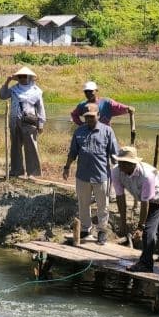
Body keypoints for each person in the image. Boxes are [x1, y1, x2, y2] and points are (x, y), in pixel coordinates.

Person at [63, 102, 120, 245]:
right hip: (82, 175)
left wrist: (118, 170)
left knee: (103, 205)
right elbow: (73, 152)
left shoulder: (107, 131)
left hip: (101, 175)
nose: (89, 119)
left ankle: (102, 231)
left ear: (98, 116)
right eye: (87, 116)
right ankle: (85, 228)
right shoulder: (79, 131)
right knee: (83, 203)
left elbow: (114, 153)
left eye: (92, 117)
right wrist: (67, 167)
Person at [112, 145, 159, 273]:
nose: (120, 165)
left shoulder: (147, 176)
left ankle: (146, 264)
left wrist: (141, 226)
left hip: (158, 193)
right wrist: (122, 223)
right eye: (119, 161)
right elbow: (120, 197)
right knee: (158, 219)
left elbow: (145, 203)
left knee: (148, 228)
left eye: (124, 163)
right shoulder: (116, 171)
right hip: (143, 195)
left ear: (132, 164)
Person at [0, 66, 46, 178]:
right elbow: (2, 96)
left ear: (29, 77)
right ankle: (16, 171)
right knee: (15, 147)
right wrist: (7, 82)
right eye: (20, 76)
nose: (23, 78)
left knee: (31, 147)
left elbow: (40, 108)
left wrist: (41, 123)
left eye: (24, 76)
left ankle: (32, 173)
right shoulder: (14, 90)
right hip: (14, 121)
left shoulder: (36, 91)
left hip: (29, 122)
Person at [68, 81, 135, 126]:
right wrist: (81, 125)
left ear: (96, 91)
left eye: (90, 91)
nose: (88, 93)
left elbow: (119, 107)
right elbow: (74, 114)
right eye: (86, 92)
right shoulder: (82, 105)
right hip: (88, 132)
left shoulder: (106, 102)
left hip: (105, 132)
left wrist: (128, 108)